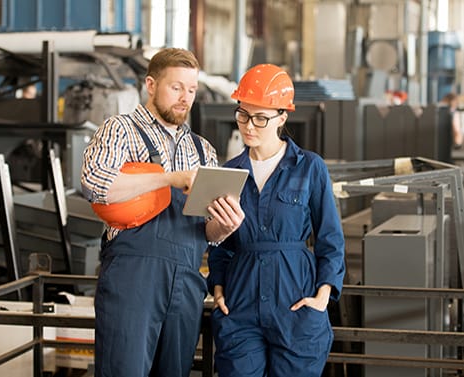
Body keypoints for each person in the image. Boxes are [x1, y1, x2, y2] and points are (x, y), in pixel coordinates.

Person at [81, 47, 244, 377]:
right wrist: (171, 177)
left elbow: (206, 232)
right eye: (176, 87)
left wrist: (224, 227)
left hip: (185, 279)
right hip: (133, 276)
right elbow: (96, 184)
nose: (185, 98)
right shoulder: (119, 130)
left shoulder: (203, 150)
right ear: (151, 85)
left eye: (192, 90)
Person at [207, 64, 346, 377]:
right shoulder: (229, 172)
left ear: (283, 117)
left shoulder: (310, 168)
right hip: (240, 303)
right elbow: (220, 242)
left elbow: (330, 239)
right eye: (243, 114)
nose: (249, 126)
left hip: (295, 302)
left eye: (260, 118)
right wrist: (217, 289)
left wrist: (323, 296)